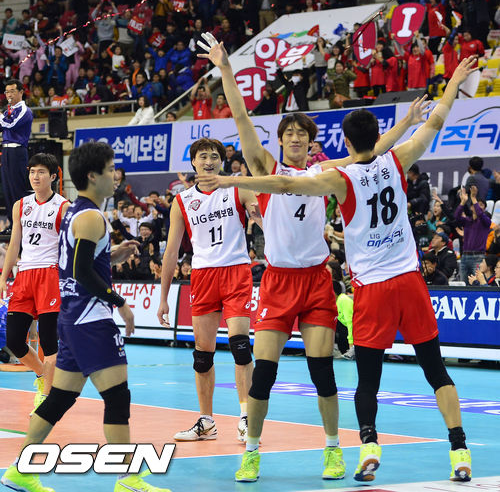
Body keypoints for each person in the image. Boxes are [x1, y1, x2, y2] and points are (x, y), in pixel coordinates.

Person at [198, 36, 476, 483]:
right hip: (279, 282)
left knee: (324, 374)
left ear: (314, 143)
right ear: (279, 140)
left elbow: (368, 154)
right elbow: (243, 119)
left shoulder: (327, 173)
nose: (294, 138)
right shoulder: (267, 167)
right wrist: (226, 70)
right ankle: (252, 452)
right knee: (263, 374)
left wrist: (228, 180)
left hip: (316, 281)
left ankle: (334, 450)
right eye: (288, 133)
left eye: (301, 134)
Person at [0, 142, 170, 492]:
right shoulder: (91, 216)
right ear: (93, 176)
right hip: (91, 319)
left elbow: (81, 259)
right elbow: (81, 271)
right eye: (109, 170)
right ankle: (128, 478)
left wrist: (113, 254)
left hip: (73, 318)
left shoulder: (74, 212)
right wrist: (119, 302)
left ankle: (19, 470)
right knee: (118, 397)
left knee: (60, 398)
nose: (114, 177)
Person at [157, 137, 257, 443]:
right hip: (202, 276)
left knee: (240, 345)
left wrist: (262, 218)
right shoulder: (183, 201)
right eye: (203, 156)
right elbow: (171, 252)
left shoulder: (238, 188)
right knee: (202, 356)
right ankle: (206, 421)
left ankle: (247, 417)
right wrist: (163, 298)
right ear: (193, 162)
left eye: (214, 156)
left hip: (236, 271)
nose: (209, 161)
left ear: (222, 161)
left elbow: (260, 217)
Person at [0, 153, 68, 415]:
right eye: (32, 171)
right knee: (15, 340)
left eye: (41, 172)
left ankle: (48, 398)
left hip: (50, 275)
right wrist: (4, 276)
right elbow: (14, 243)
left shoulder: (63, 207)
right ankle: (42, 375)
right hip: (24, 276)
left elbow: (69, 248)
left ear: (52, 176)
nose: (35, 176)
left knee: (49, 342)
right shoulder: (21, 205)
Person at [0, 79, 34, 231]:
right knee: (7, 189)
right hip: (6, 150)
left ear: (21, 92)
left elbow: (11, 124)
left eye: (12, 91)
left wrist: (0, 117)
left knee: (16, 188)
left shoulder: (25, 110)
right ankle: (13, 224)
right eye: (7, 92)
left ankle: (23, 224)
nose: (9, 95)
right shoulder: (8, 111)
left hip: (17, 151)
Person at [454, 185, 491, 282]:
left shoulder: (486, 221)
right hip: (464, 256)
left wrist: (473, 198)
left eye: (481, 205)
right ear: (471, 207)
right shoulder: (467, 221)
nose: (478, 206)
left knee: (477, 283)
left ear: (484, 208)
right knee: (462, 284)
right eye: (476, 204)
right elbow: (456, 216)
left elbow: (480, 214)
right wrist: (463, 201)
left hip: (478, 257)